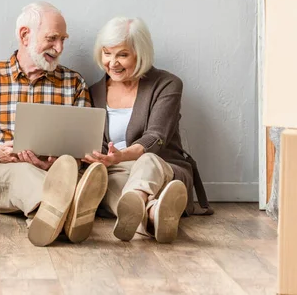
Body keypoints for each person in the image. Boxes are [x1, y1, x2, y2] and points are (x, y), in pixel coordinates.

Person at [0, 2, 108, 247]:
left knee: (67, 166)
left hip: (57, 172)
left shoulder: (73, 83)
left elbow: (87, 146)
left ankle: (47, 216)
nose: (59, 48)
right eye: (52, 38)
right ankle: (71, 209)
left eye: (63, 40)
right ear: (25, 35)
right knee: (24, 171)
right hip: (2, 173)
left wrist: (57, 163)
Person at [83, 16, 213, 243]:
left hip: (165, 169)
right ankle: (154, 215)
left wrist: (123, 155)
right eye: (107, 53)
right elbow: (96, 141)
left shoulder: (167, 84)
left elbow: (156, 137)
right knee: (108, 184)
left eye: (122, 54)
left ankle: (137, 199)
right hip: (119, 172)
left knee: (147, 161)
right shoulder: (94, 91)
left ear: (140, 53)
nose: (113, 62)